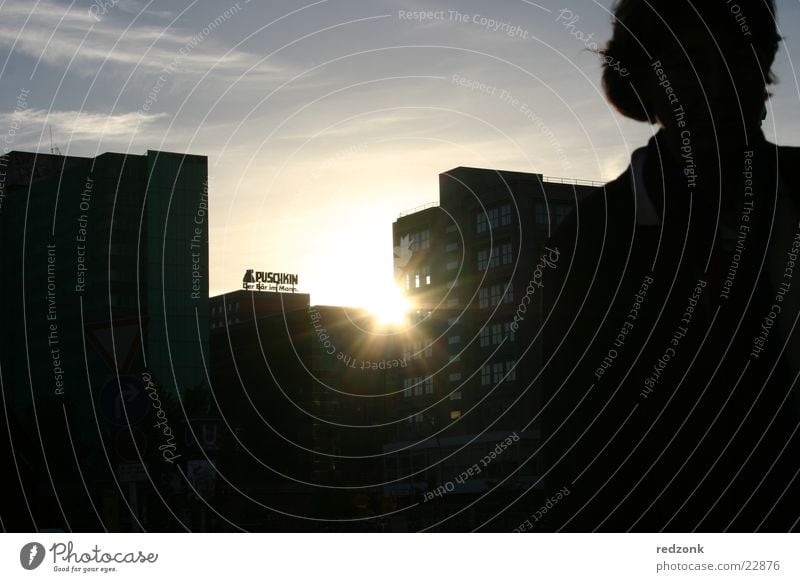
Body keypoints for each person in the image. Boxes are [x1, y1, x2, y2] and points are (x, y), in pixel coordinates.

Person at [539, 0, 800, 531]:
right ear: (641, 81)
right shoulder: (591, 244)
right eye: (691, 62)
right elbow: (582, 449)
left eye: (739, 56)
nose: (721, 83)